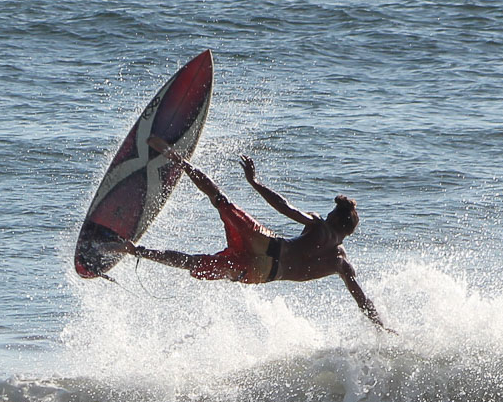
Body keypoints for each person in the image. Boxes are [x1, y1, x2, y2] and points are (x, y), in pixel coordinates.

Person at [101, 137, 389, 329]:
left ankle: (175, 158)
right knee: (194, 261)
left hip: (266, 244)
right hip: (262, 273)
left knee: (220, 200)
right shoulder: (342, 264)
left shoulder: (319, 225)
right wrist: (381, 327)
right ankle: (132, 250)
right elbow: (363, 301)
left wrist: (254, 182)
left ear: (333, 219)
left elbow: (284, 207)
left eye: (330, 213)